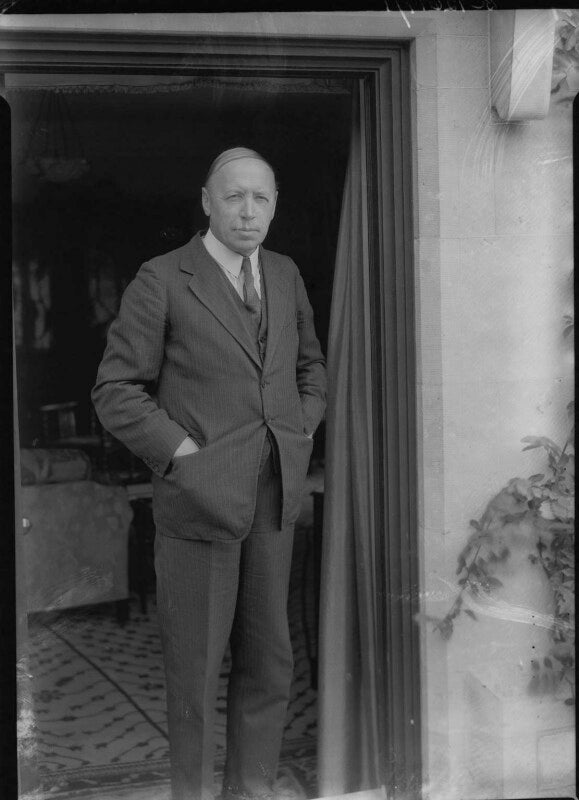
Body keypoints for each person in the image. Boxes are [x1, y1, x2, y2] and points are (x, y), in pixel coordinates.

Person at [92, 147, 327, 800]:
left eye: (261, 198)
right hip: (196, 507)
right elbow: (114, 390)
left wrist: (300, 427)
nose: (248, 211)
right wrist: (182, 455)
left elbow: (310, 367)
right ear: (206, 201)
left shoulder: (284, 274)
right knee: (194, 678)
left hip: (274, 501)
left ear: (274, 205)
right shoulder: (163, 278)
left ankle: (250, 793)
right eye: (234, 197)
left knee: (269, 664)